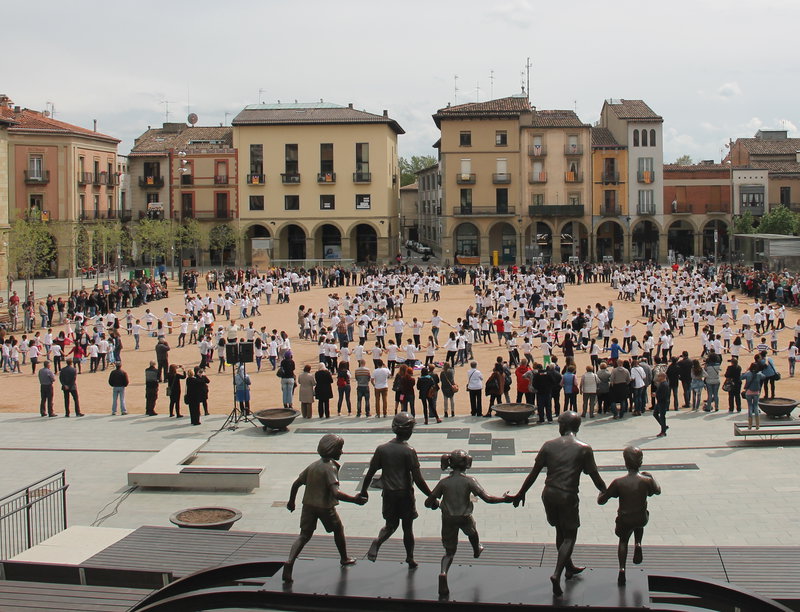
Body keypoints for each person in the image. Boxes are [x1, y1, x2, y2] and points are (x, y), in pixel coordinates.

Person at [511, 411, 607, 597]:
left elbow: (534, 473)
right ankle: (557, 573)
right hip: (567, 496)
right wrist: (606, 491)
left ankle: (569, 566)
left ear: (563, 426)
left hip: (548, 494)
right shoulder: (584, 448)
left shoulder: (548, 445)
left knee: (559, 531)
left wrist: (520, 493)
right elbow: (595, 476)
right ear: (577, 427)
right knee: (570, 536)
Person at [425, 449, 512, 598]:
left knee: (449, 552)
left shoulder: (443, 483)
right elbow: (488, 498)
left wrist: (436, 504)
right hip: (464, 516)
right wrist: (504, 499)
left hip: (448, 519)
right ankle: (476, 549)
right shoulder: (469, 481)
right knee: (472, 532)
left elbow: (428, 502)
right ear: (467, 464)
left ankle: (443, 573)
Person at [282, 434, 367, 583]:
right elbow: (335, 493)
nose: (342, 452)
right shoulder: (330, 468)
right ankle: (344, 558)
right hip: (324, 507)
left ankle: (289, 563)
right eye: (340, 449)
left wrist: (291, 501)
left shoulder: (313, 465)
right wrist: (354, 500)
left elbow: (296, 483)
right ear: (332, 450)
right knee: (338, 528)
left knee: (304, 536)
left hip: (308, 505)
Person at [359, 412, 434, 569]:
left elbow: (370, 472)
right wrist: (432, 496)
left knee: (390, 525)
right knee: (408, 528)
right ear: (409, 431)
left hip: (388, 493)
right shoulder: (409, 451)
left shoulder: (382, 449)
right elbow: (418, 479)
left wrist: (363, 491)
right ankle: (410, 558)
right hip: (405, 494)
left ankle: (378, 541)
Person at [598, 446, 661, 586]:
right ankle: (638, 543)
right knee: (640, 519)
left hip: (625, 519)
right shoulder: (646, 480)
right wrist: (651, 476)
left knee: (623, 541)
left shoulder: (619, 482)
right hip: (641, 518)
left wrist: (601, 492)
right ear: (641, 462)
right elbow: (657, 491)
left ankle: (622, 569)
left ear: (625, 462)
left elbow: (602, 501)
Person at [742, 362, 765, 430]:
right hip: (756, 392)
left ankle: (750, 425)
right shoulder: (759, 374)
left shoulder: (748, 373)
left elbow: (741, 377)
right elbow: (764, 377)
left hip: (749, 392)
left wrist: (746, 371)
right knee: (755, 407)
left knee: (750, 407)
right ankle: (757, 425)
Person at [653, 372, 670, 437]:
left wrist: (656, 395)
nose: (658, 378)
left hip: (663, 403)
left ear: (663, 377)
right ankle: (664, 426)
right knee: (655, 414)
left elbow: (663, 395)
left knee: (662, 416)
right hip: (660, 402)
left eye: (659, 376)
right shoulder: (662, 384)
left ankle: (663, 431)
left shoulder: (664, 385)